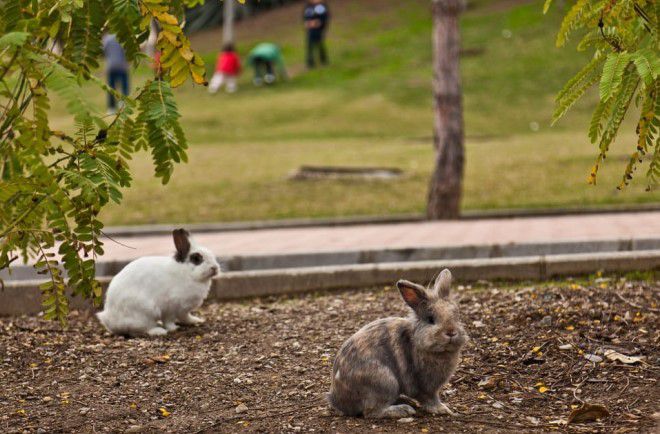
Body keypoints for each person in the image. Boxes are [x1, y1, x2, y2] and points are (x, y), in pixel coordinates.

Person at [102, 34, 129, 114]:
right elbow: (125, 51)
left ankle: (112, 108)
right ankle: (122, 104)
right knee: (124, 87)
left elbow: (104, 51)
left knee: (111, 88)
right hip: (122, 66)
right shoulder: (122, 37)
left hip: (111, 65)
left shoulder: (106, 39)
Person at [303, 0, 329, 68]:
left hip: (318, 30)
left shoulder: (321, 7)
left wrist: (314, 23)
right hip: (310, 30)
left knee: (319, 44)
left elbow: (322, 20)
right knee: (310, 45)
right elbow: (305, 18)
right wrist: (308, 23)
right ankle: (310, 63)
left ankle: (323, 60)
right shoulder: (308, 7)